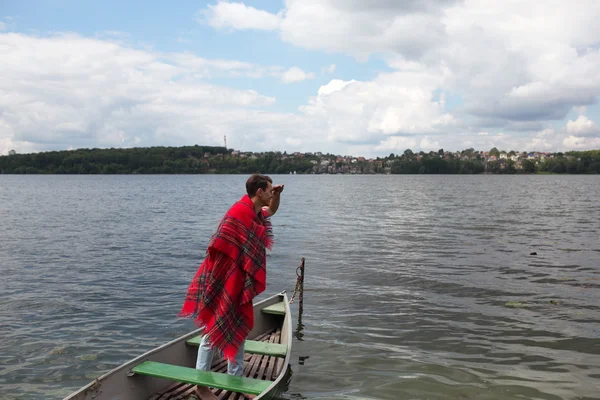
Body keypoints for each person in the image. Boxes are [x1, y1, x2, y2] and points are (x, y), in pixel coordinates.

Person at [178, 174, 284, 400]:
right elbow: (218, 245)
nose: (270, 193)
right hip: (221, 279)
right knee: (212, 332)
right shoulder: (238, 213)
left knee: (237, 327)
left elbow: (271, 211)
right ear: (259, 193)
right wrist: (222, 282)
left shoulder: (253, 211)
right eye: (268, 191)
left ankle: (236, 383)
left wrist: (276, 196)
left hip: (236, 280)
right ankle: (201, 385)